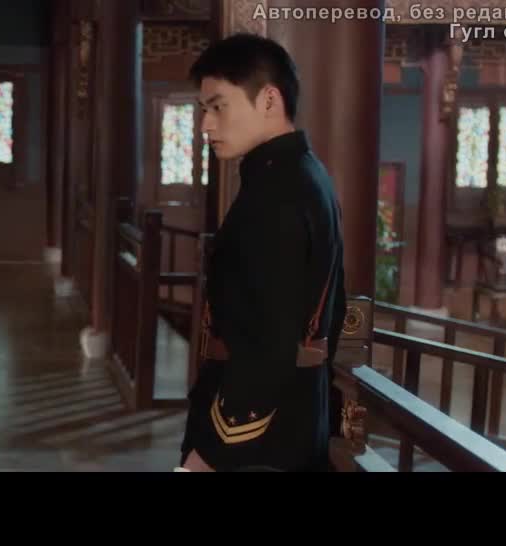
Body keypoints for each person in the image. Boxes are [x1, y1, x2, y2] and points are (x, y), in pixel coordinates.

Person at [177, 33, 347, 472]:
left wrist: (209, 454)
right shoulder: (304, 174)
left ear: (269, 99)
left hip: (258, 442)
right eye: (204, 110)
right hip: (295, 415)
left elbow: (270, 345)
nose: (206, 125)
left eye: (219, 107)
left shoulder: (276, 193)